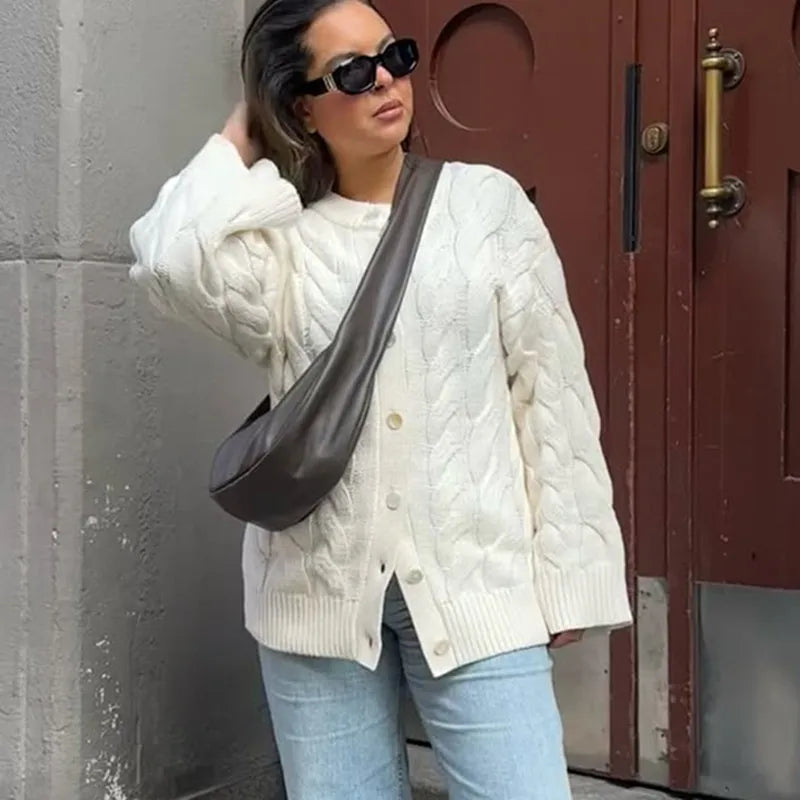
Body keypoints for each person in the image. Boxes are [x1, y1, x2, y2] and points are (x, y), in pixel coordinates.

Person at [129, 1, 632, 798]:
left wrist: (571, 574)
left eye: (393, 56)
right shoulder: (282, 244)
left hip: (479, 583)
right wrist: (240, 135)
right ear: (302, 105)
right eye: (352, 73)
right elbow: (168, 262)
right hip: (313, 597)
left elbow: (551, 394)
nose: (386, 83)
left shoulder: (487, 207)